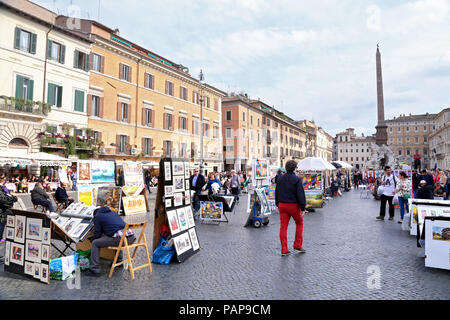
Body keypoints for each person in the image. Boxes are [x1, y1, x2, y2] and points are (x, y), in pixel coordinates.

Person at [86, 206, 136, 277]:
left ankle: (94, 269)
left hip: (122, 239)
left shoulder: (98, 217)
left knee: (95, 243)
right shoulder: (113, 213)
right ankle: (119, 260)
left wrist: (92, 239)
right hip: (131, 238)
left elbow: (97, 233)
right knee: (115, 237)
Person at [275, 160, 307, 256]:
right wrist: (302, 207)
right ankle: (297, 244)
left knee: (283, 227)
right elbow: (300, 194)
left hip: (282, 205)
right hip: (293, 205)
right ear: (294, 168)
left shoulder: (280, 179)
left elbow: (276, 192)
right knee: (299, 223)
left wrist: (277, 203)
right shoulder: (297, 179)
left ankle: (284, 249)